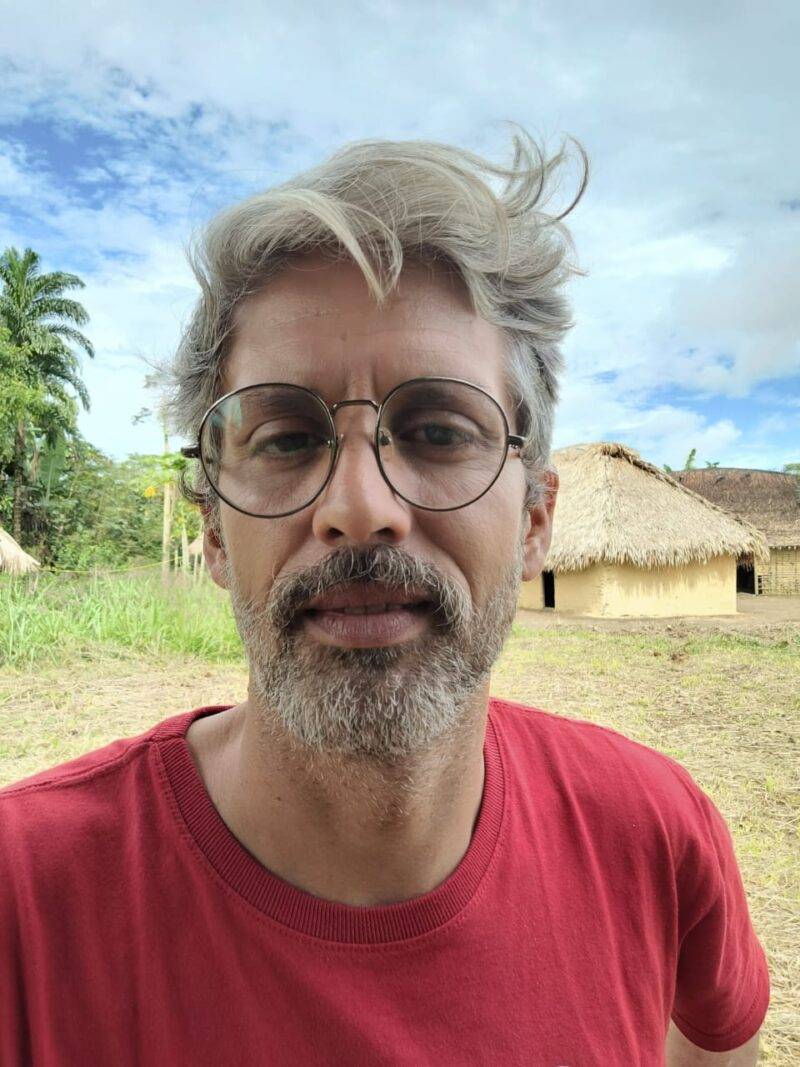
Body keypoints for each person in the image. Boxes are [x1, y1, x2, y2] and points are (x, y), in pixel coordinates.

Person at [0, 128, 769, 1065]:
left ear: (535, 520)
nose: (360, 508)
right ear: (213, 530)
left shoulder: (657, 835)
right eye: (286, 438)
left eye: (439, 430)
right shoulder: (24, 905)